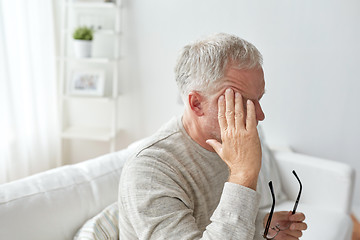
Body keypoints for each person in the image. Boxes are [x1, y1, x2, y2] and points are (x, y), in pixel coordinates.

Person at [118, 33, 307, 239]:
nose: (260, 115)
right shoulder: (151, 172)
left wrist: (261, 226)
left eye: (259, 99)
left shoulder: (225, 141)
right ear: (196, 104)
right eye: (240, 101)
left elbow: (210, 220)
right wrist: (243, 175)